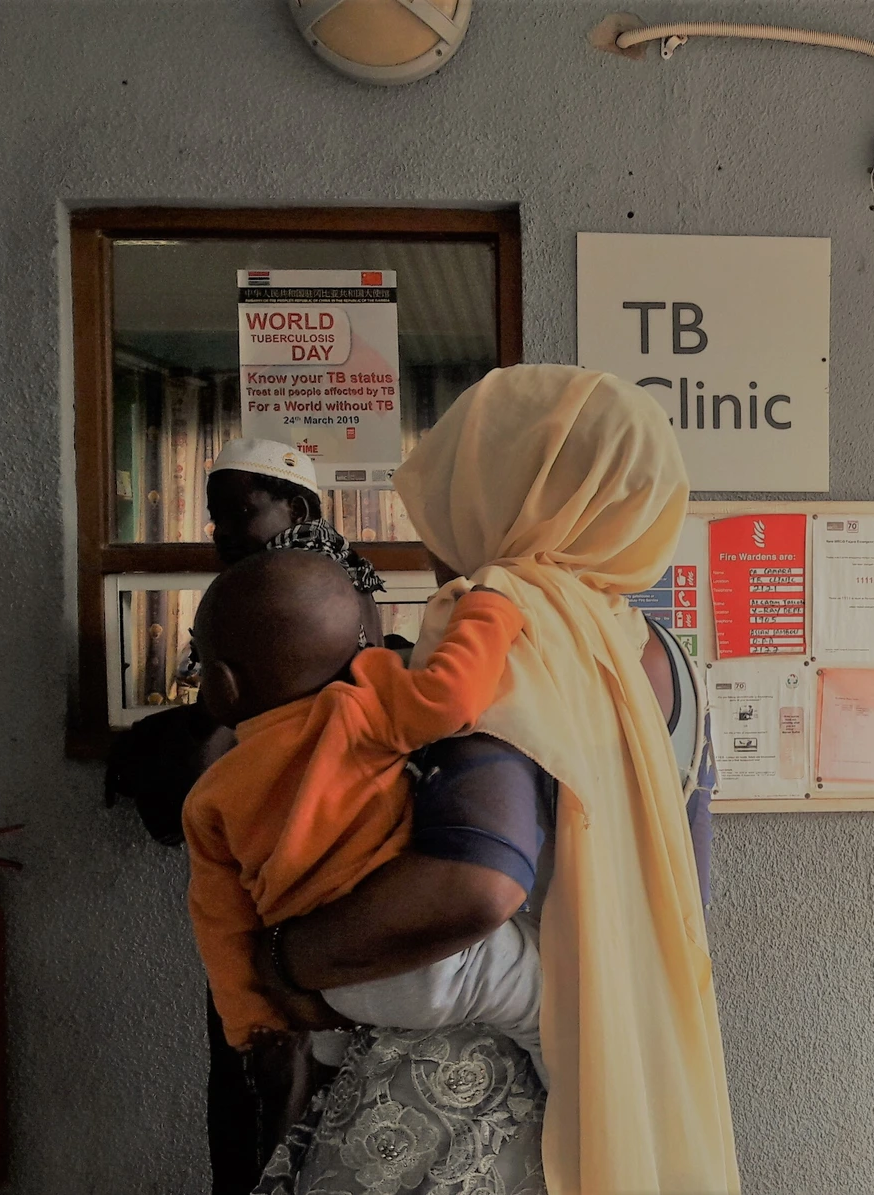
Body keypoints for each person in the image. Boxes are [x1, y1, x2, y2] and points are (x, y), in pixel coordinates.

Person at [246, 365, 737, 1195]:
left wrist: (288, 959)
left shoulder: (499, 621)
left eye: (455, 493)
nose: (436, 536)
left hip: (465, 1104)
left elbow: (477, 882)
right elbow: (689, 897)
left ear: (514, 495)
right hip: (617, 1084)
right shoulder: (661, 657)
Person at [102, 437, 396, 1192]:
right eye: (215, 517)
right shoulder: (338, 586)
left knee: (265, 1086)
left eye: (239, 512)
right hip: (329, 886)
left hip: (284, 878)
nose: (223, 532)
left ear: (294, 508)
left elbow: (238, 727)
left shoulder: (294, 595)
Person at [180, 549, 548, 1085]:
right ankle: (590, 1142)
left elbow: (220, 925)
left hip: (334, 988)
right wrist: (490, 610)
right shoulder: (359, 709)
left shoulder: (208, 798)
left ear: (223, 682)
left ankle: (333, 1054)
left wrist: (251, 1021)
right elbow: (454, 698)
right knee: (555, 1002)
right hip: (428, 962)